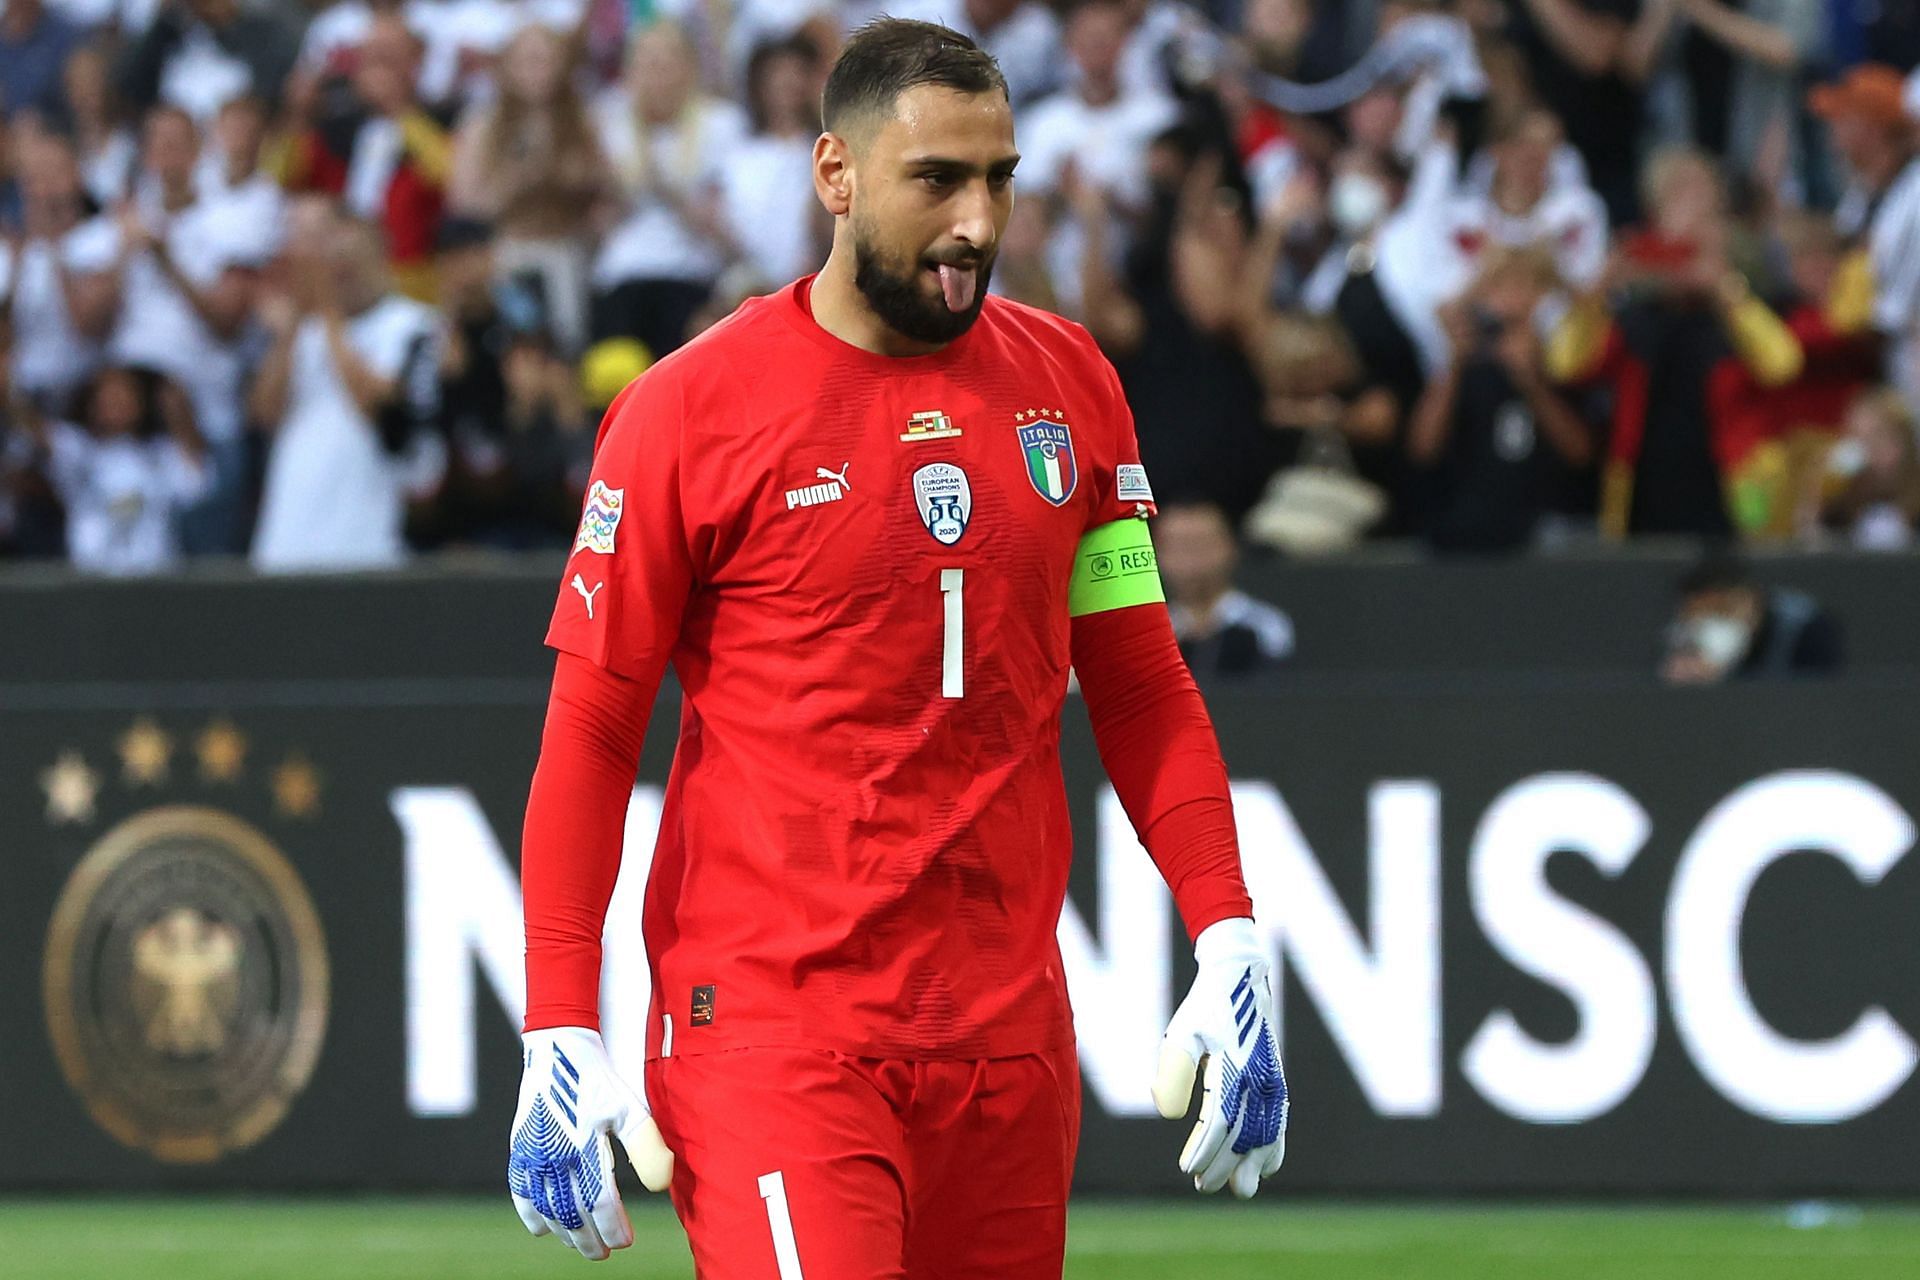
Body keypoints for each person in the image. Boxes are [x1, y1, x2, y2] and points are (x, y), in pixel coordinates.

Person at [507, 18, 1288, 1277]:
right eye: (938, 180)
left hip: (1006, 1042)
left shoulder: (1073, 387)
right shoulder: (688, 412)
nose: (978, 220)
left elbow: (1140, 682)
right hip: (772, 1032)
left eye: (1000, 179)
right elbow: (593, 729)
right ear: (837, 175)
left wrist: (1229, 928)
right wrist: (556, 1020)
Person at [249, 211, 441, 572]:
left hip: (363, 541)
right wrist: (297, 315)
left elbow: (380, 408)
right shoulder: (306, 332)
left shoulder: (415, 325)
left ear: (379, 249)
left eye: (346, 251)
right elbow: (264, 411)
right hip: (286, 543)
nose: (336, 264)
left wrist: (327, 309)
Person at [1155, 499, 1295, 675]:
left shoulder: (1265, 626)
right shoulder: (1153, 633)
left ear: (1230, 546)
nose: (1191, 560)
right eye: (1179, 547)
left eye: (1200, 545)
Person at [1660, 551, 1842, 682]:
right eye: (1698, 614)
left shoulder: (1807, 628)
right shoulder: (1683, 636)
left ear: (1750, 599)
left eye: (1721, 610)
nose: (1710, 622)